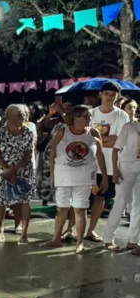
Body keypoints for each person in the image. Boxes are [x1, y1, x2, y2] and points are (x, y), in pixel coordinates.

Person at [46, 105, 107, 253]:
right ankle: (56, 239)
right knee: (62, 209)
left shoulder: (93, 133)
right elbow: (52, 154)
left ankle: (80, 242)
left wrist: (104, 177)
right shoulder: (62, 132)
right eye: (85, 116)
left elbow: (100, 156)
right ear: (75, 117)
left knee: (80, 210)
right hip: (63, 176)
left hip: (85, 178)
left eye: (89, 116)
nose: (89, 119)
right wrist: (52, 176)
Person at [0, 104, 37, 244]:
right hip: (3, 167)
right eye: (20, 115)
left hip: (22, 168)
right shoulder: (0, 132)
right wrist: (7, 170)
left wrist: (14, 171)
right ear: (9, 117)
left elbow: (28, 155)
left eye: (25, 115)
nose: (25, 117)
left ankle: (24, 234)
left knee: (24, 201)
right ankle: (0, 232)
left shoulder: (29, 132)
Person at [87, 81, 130, 242]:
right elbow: (85, 137)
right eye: (106, 94)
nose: (109, 97)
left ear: (117, 96)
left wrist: (97, 140)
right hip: (89, 161)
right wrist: (107, 139)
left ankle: (90, 231)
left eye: (113, 95)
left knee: (100, 197)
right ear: (100, 95)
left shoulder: (121, 115)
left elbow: (120, 140)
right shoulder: (90, 113)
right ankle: (70, 229)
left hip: (110, 164)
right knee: (82, 197)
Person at [104, 99, 140, 252]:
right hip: (126, 168)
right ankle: (108, 239)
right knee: (121, 202)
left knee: (139, 206)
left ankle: (133, 241)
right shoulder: (129, 127)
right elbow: (115, 149)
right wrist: (115, 170)